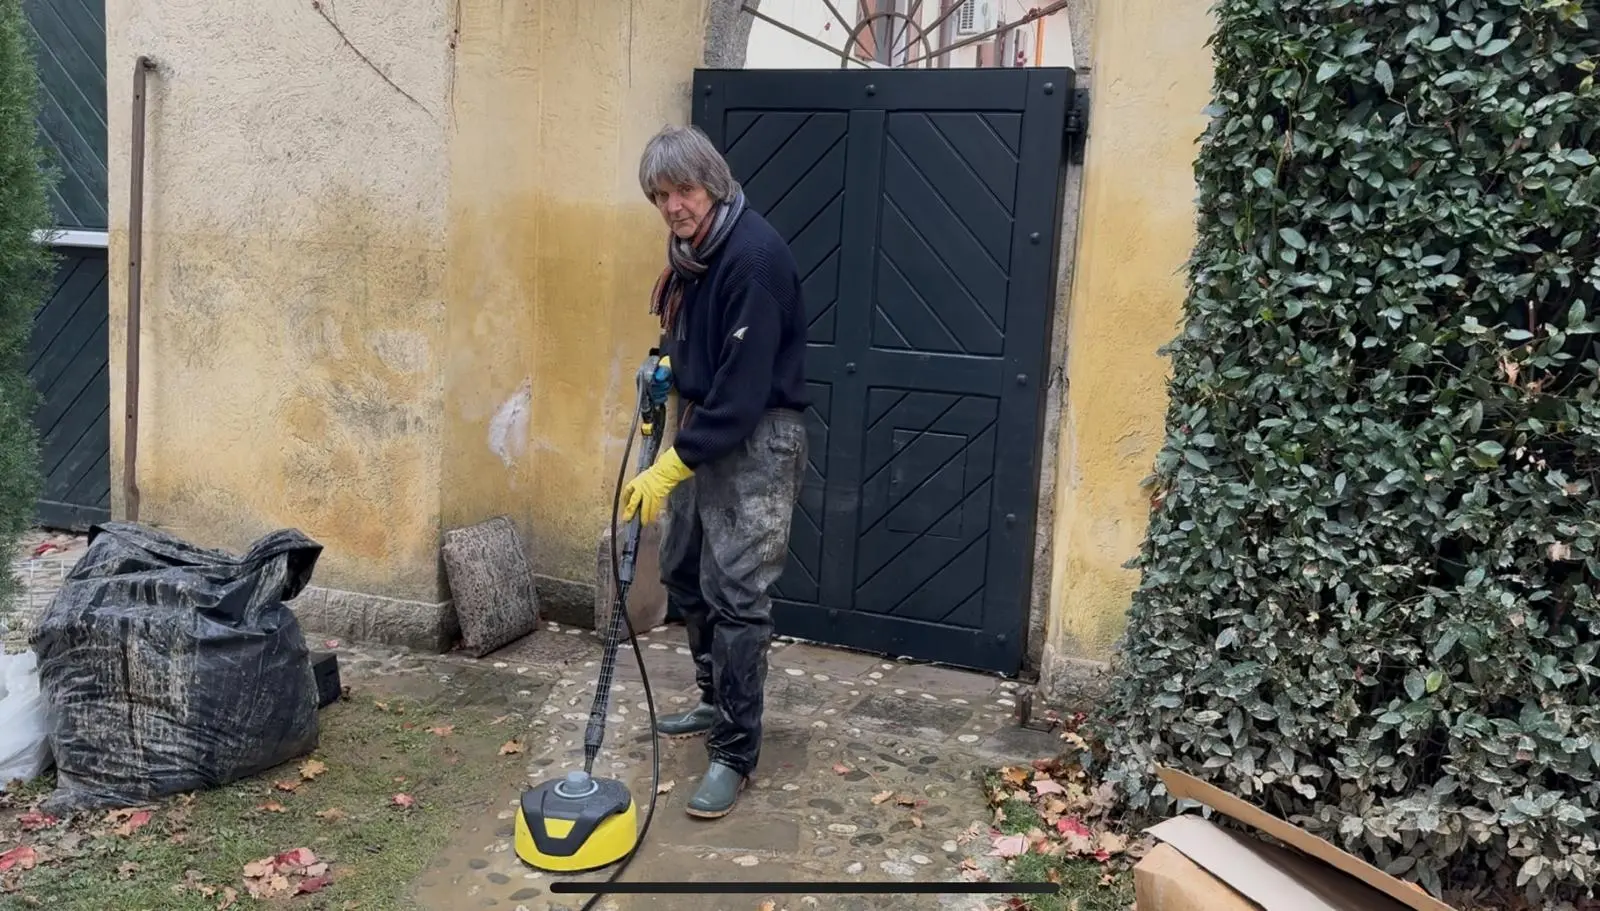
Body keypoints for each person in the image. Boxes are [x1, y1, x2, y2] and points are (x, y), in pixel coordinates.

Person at [621, 124, 809, 819]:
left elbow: (743, 388)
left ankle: (734, 750)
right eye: (660, 196)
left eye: (685, 190)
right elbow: (698, 349)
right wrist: (668, 370)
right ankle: (711, 697)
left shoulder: (753, 257)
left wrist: (671, 465)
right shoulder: (692, 256)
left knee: (737, 595)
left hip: (758, 436)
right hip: (704, 423)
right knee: (683, 569)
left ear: (715, 185)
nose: (673, 206)